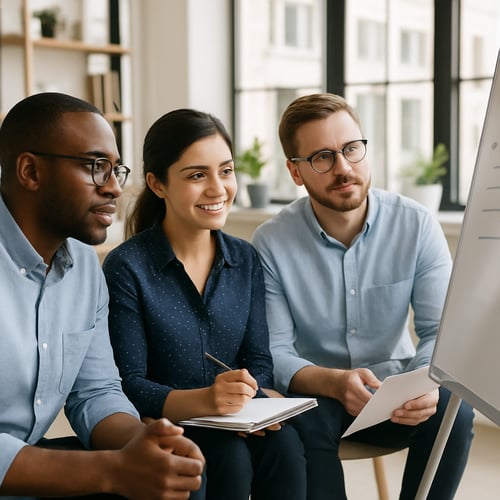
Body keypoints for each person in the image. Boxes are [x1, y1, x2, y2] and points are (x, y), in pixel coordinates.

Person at [251, 92, 475, 500]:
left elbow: (440, 330)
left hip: (398, 391)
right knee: (301, 422)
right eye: (322, 156)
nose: (343, 168)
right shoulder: (271, 242)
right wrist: (334, 383)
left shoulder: (416, 225)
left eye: (351, 149)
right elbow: (275, 352)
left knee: (454, 412)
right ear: (295, 172)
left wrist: (425, 385)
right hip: (319, 397)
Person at [0, 92, 204, 500]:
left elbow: (96, 391)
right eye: (95, 167)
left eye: (116, 170)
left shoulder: (85, 267)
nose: (114, 189)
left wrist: (142, 444)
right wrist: (111, 470)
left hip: (26, 468)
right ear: (30, 171)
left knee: (179, 476)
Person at [102, 108, 307, 500]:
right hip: (170, 422)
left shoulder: (245, 259)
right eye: (197, 175)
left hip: (236, 417)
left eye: (226, 171)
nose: (218, 188)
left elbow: (259, 362)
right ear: (157, 184)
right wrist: (205, 401)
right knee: (227, 457)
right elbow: (128, 384)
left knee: (287, 446)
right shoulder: (127, 267)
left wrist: (247, 393)